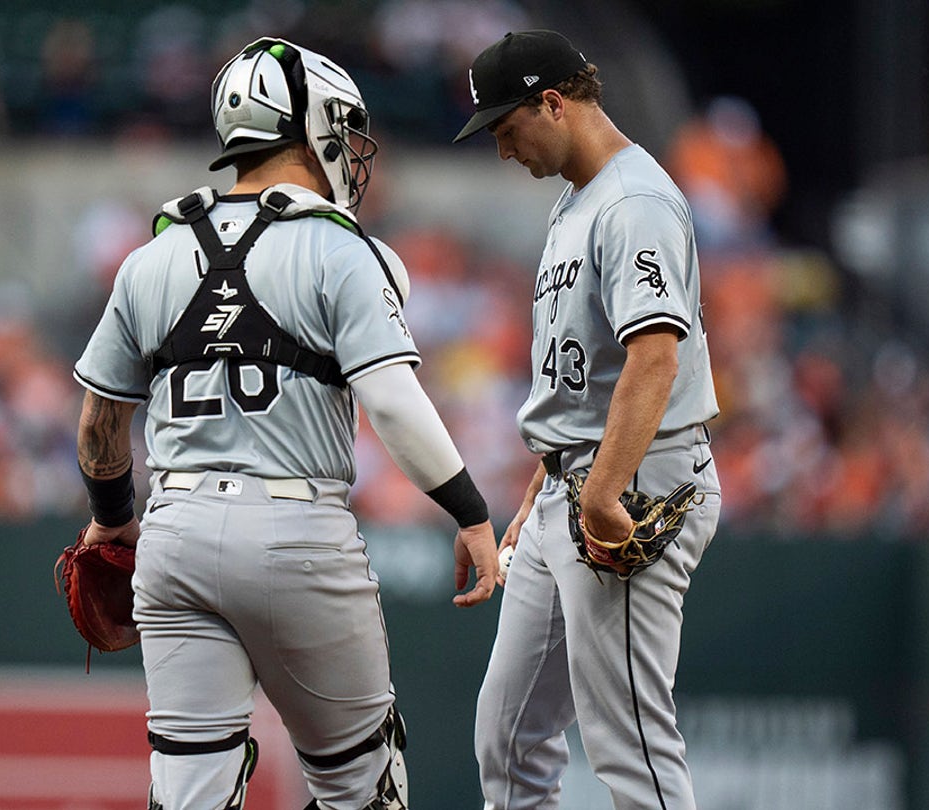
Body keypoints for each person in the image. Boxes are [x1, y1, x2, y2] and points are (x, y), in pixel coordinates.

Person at [72, 36, 501, 810]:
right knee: (361, 788)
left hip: (174, 530)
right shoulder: (343, 251)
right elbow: (396, 403)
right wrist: (469, 512)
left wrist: (112, 522)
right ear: (314, 125)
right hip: (296, 530)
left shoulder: (151, 256)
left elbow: (100, 423)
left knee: (190, 794)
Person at [452, 30, 722, 808]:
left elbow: (655, 356)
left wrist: (599, 492)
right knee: (506, 736)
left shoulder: (634, 199)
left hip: (632, 480)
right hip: (576, 477)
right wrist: (549, 478)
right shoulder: (579, 200)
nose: (504, 150)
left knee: (629, 744)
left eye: (508, 130)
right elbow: (594, 369)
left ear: (553, 101)